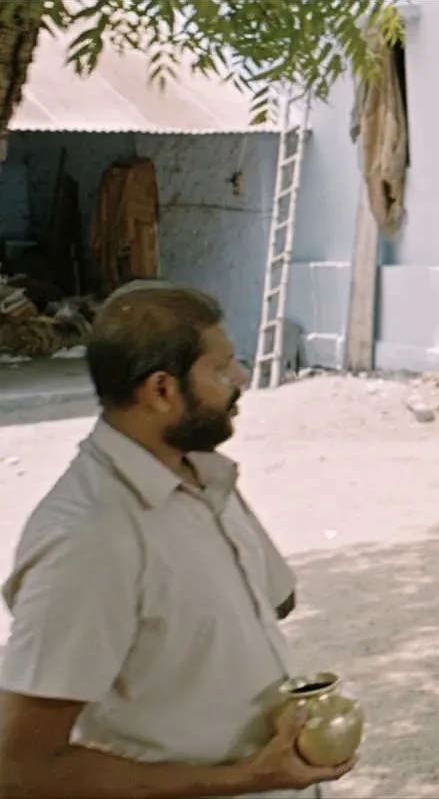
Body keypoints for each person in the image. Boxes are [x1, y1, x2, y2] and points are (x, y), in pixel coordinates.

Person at [0, 283, 350, 798]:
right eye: (221, 369)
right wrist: (241, 779)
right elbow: (22, 770)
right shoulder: (88, 540)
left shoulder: (200, 472)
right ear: (162, 390)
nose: (241, 379)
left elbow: (274, 601)